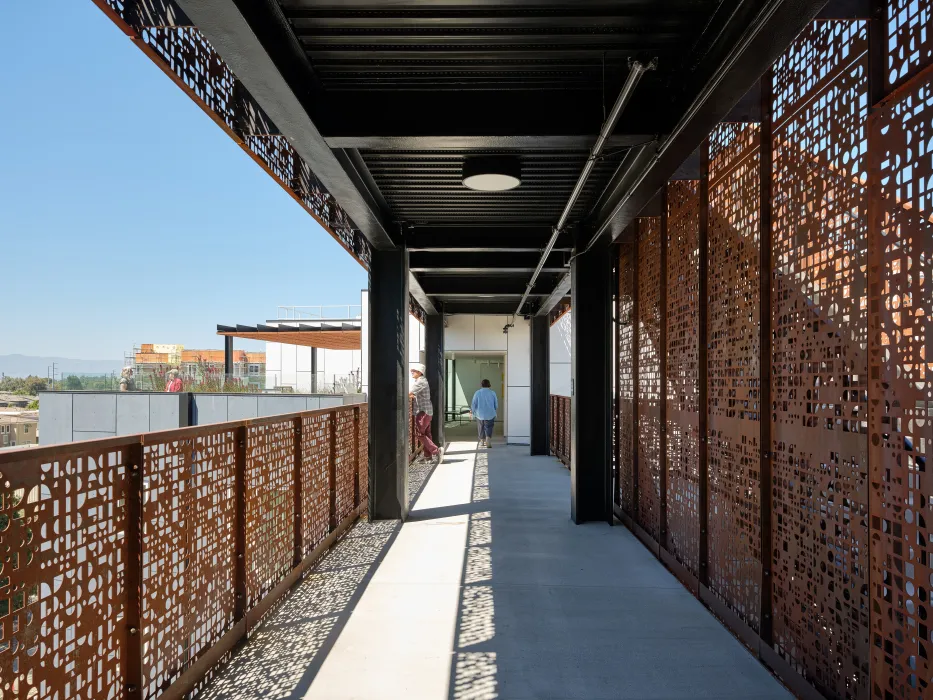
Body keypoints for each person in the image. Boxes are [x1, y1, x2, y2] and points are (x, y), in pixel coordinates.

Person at [409, 363, 439, 462]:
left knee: (418, 433)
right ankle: (428, 456)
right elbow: (416, 395)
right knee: (426, 433)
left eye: (413, 370)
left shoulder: (420, 382)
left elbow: (409, 393)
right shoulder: (422, 381)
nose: (411, 372)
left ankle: (436, 451)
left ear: (419, 372)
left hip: (423, 412)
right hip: (427, 411)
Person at [471, 379, 498, 448]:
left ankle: (482, 441)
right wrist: (494, 409)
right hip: (490, 413)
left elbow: (474, 403)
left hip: (480, 414)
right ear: (489, 384)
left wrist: (472, 411)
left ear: (481, 385)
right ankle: (488, 438)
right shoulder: (493, 393)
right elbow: (496, 404)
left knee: (481, 427)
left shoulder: (477, 392)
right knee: (489, 426)